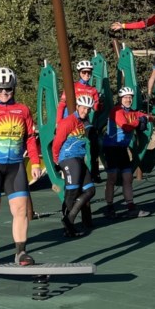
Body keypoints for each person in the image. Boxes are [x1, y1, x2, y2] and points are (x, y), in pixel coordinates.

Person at [0, 67, 44, 266]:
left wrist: (35, 162)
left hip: (16, 167)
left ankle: (21, 252)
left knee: (20, 210)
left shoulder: (23, 110)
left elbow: (30, 138)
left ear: (14, 89)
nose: (4, 94)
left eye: (8, 90)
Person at [103, 87, 155, 218]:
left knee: (128, 178)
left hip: (122, 149)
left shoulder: (133, 112)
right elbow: (126, 127)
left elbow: (150, 118)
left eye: (130, 97)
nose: (128, 99)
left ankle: (131, 206)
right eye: (125, 97)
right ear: (121, 99)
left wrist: (148, 117)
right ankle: (109, 207)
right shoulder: (117, 110)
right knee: (112, 178)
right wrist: (139, 121)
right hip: (111, 148)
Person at [53, 94, 97, 237]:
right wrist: (56, 161)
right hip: (68, 158)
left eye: (88, 109)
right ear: (77, 107)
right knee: (72, 192)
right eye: (83, 108)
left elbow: (91, 134)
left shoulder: (85, 121)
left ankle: (69, 219)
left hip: (79, 158)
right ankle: (69, 227)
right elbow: (57, 142)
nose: (85, 111)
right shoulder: (68, 122)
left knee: (90, 190)